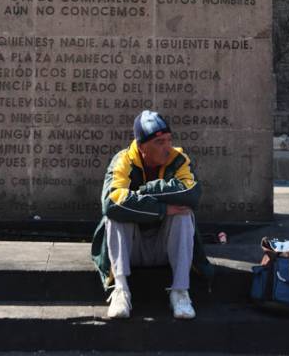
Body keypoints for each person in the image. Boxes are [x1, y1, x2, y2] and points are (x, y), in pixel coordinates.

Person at [91, 110, 214, 320]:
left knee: (184, 214)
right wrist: (162, 209)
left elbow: (191, 193)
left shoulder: (179, 160)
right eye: (159, 142)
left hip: (164, 248)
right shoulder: (123, 160)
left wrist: (144, 191)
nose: (167, 147)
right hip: (132, 249)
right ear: (141, 147)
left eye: (169, 140)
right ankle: (121, 290)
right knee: (116, 216)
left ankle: (180, 292)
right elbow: (111, 203)